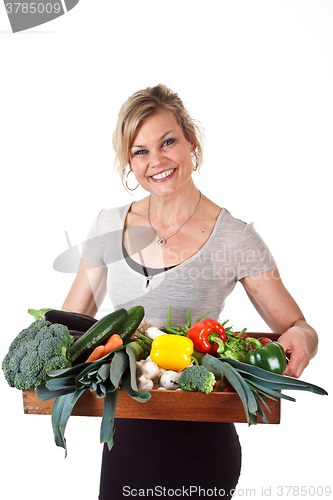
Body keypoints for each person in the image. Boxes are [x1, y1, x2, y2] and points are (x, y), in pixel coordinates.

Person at [62, 84, 318, 499]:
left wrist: (302, 339)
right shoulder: (108, 226)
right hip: (125, 438)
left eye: (168, 142)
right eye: (140, 151)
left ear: (191, 142)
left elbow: (299, 326)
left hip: (202, 442)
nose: (157, 161)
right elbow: (72, 321)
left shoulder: (235, 239)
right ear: (129, 162)